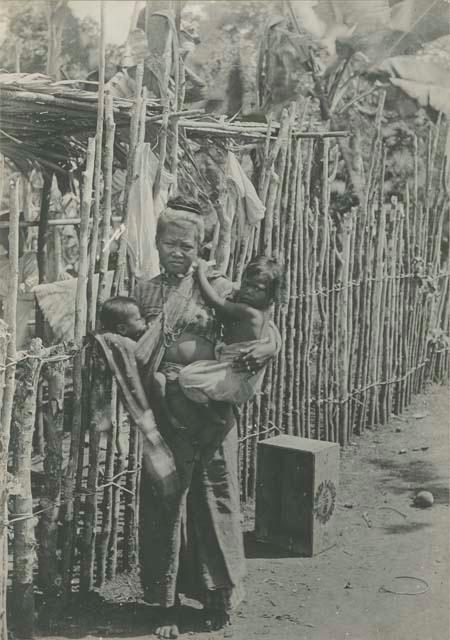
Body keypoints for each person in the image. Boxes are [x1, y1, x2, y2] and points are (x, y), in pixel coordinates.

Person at [133, 196, 281, 639]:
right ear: (157, 243)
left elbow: (264, 324)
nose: (179, 252)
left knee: (216, 495)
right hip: (164, 413)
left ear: (202, 248)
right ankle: (164, 605)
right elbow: (121, 342)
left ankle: (219, 596)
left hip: (215, 410)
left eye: (188, 246)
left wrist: (271, 347)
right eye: (171, 243)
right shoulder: (144, 293)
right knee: (164, 503)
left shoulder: (220, 286)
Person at [178, 256, 282, 405]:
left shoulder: (248, 311)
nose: (248, 291)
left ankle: (211, 413)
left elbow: (214, 301)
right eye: (246, 284)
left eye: (257, 289)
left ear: (271, 296)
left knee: (186, 377)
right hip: (242, 378)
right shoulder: (263, 311)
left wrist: (200, 272)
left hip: (235, 379)